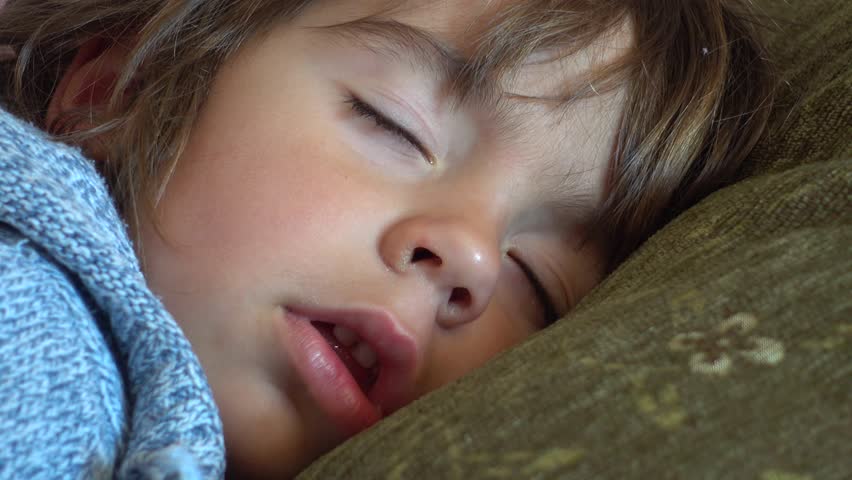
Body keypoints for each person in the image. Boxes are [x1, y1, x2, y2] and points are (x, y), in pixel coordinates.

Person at [0, 1, 776, 478]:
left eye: (540, 284)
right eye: (394, 125)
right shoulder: (35, 320)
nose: (472, 254)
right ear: (121, 85)